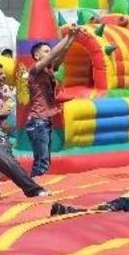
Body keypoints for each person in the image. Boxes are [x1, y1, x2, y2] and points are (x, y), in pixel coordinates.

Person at [26, 25, 79, 177]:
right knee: (42, 161)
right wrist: (67, 36)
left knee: (44, 160)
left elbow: (61, 53)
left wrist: (72, 37)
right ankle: (35, 188)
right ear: (37, 56)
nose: (50, 54)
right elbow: (55, 53)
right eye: (46, 51)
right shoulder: (34, 69)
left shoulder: (49, 70)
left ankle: (35, 187)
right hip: (37, 121)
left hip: (43, 121)